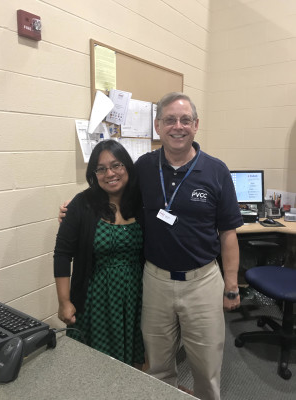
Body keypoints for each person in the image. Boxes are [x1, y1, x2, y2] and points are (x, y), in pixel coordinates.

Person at [59, 92, 243, 400]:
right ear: (158, 126)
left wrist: (232, 285)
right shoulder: (144, 167)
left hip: (202, 282)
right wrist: (75, 208)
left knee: (206, 369)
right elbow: (110, 187)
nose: (178, 126)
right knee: (157, 365)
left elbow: (228, 233)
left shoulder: (216, 170)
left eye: (185, 120)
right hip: (155, 281)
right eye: (170, 119)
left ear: (196, 125)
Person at [54, 139, 145, 368]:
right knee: (96, 363)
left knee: (136, 361)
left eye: (116, 165)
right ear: (94, 174)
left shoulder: (142, 202)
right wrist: (64, 301)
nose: (110, 173)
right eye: (101, 168)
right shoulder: (81, 204)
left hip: (139, 295)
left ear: (127, 167)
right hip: (97, 297)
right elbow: (62, 254)